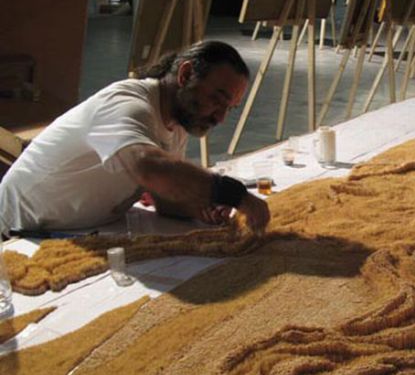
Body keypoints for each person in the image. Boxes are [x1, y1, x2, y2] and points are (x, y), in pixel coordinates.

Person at [0, 40, 270, 237]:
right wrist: (232, 193)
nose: (220, 117)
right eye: (217, 99)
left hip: (81, 230)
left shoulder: (176, 122)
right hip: (19, 232)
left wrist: (199, 206)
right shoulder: (127, 104)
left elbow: (163, 195)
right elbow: (148, 168)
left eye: (229, 108)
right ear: (185, 74)